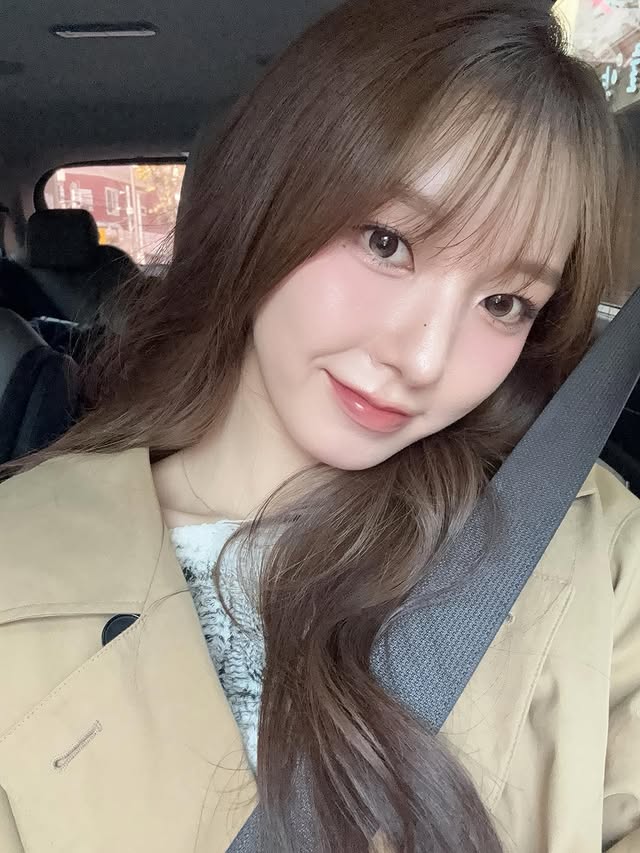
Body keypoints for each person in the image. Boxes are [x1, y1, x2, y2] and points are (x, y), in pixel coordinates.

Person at [0, 1, 638, 851]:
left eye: (503, 302)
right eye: (387, 242)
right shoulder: (20, 556)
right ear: (266, 197)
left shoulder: (590, 548)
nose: (424, 357)